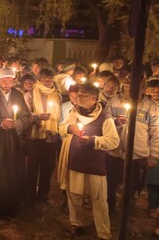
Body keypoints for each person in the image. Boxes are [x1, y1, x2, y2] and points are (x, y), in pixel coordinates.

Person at [58, 83, 119, 240]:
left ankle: (103, 233)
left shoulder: (105, 118)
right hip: (75, 161)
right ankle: (77, 225)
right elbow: (62, 127)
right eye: (78, 95)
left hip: (94, 166)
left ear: (94, 98)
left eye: (83, 96)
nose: (78, 98)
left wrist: (93, 141)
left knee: (99, 200)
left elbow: (113, 141)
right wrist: (70, 128)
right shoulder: (74, 112)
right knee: (74, 196)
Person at [0, 67, 30, 217]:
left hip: (13, 141)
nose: (8, 83)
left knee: (13, 173)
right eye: (4, 80)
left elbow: (26, 116)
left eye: (10, 80)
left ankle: (12, 208)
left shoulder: (18, 95)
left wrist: (17, 124)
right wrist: (1, 122)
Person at [24, 68, 62, 205]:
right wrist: (37, 117)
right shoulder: (30, 95)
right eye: (45, 79)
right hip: (34, 136)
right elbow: (25, 114)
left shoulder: (57, 95)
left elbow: (59, 115)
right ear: (39, 79)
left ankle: (43, 194)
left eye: (50, 79)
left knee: (48, 166)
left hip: (51, 136)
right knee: (33, 166)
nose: (47, 81)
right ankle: (29, 195)